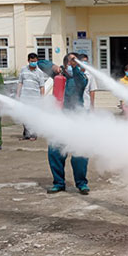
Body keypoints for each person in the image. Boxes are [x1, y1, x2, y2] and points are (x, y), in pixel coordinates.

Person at [37, 53, 91, 195]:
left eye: (76, 61)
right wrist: (53, 67)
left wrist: (76, 67)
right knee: (55, 151)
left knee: (80, 153)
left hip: (77, 120)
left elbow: (81, 80)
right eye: (71, 60)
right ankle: (59, 183)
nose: (74, 63)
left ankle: (82, 183)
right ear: (65, 63)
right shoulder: (58, 75)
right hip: (59, 119)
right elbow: (40, 63)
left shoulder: (81, 78)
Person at [16, 53, 47, 140]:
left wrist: (42, 99)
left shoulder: (40, 73)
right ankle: (26, 134)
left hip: (35, 98)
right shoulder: (23, 70)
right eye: (31, 61)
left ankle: (33, 134)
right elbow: (20, 83)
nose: (33, 63)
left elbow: (42, 86)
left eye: (35, 61)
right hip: (24, 97)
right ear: (28, 61)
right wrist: (18, 95)